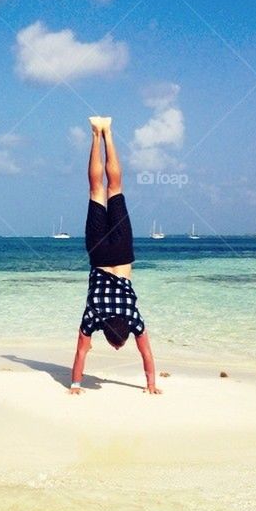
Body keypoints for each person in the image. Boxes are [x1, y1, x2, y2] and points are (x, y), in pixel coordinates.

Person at [69, 115, 161, 395]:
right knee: (96, 189)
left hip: (121, 253)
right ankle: (96, 134)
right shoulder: (94, 315)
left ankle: (107, 131)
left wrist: (151, 383)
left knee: (115, 188)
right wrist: (75, 384)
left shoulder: (133, 316)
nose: (118, 347)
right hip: (98, 254)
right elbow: (81, 352)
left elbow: (146, 354)